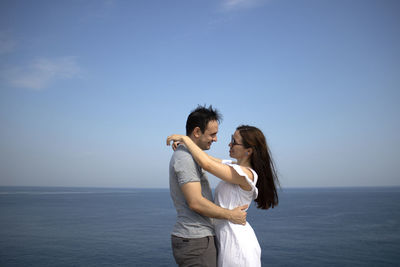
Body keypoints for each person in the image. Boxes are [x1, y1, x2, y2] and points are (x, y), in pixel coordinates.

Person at [167, 125, 279, 267]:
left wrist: (185, 139)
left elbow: (206, 164)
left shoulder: (247, 174)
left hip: (236, 241)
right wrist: (186, 146)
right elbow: (206, 158)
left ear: (248, 151)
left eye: (234, 141)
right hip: (225, 236)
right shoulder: (233, 166)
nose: (229, 143)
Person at [168, 105, 248, 267]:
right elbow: (195, 202)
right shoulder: (185, 159)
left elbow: (214, 163)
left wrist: (186, 143)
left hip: (197, 239)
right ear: (197, 132)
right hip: (196, 240)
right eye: (213, 134)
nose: (216, 139)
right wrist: (230, 215)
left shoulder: (190, 156)